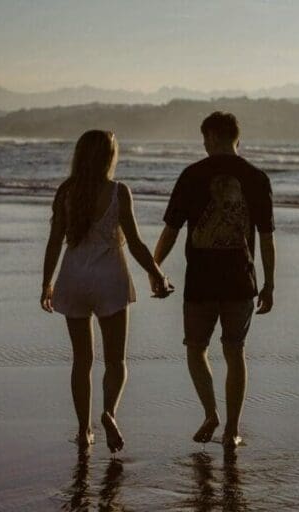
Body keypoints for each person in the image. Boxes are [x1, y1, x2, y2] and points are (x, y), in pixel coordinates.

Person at [40, 130, 173, 453]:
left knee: (81, 361)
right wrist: (158, 274)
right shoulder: (118, 192)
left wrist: (46, 283)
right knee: (116, 361)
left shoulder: (66, 192)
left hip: (73, 279)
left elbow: (55, 241)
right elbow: (137, 244)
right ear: (109, 157)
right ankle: (109, 413)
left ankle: (84, 430)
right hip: (110, 278)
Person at [153, 112, 276, 450]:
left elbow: (171, 230)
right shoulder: (256, 177)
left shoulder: (192, 174)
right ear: (237, 137)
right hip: (241, 280)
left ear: (212, 136)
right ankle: (232, 430)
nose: (203, 145)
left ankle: (211, 413)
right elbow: (266, 236)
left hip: (201, 282)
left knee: (196, 349)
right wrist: (270, 283)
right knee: (235, 352)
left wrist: (153, 268)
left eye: (204, 138)